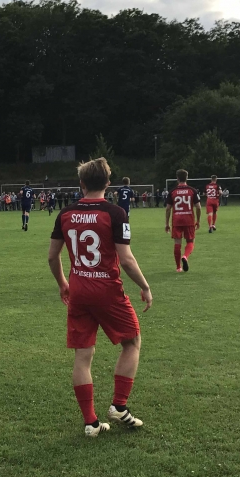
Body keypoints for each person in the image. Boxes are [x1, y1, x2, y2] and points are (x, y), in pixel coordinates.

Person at [47, 157, 153, 437]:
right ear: (108, 183)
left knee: (83, 354)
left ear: (81, 184)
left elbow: (52, 256)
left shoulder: (66, 213)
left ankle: (91, 422)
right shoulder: (115, 213)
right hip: (107, 290)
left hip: (79, 290)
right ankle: (119, 405)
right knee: (132, 342)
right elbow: (126, 259)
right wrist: (145, 286)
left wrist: (62, 283)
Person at [165, 169, 201, 272]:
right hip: (189, 219)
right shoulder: (192, 190)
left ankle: (178, 267)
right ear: (187, 178)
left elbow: (168, 208)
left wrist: (167, 223)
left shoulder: (172, 191)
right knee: (190, 241)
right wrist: (198, 221)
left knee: (177, 242)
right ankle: (185, 256)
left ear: (177, 178)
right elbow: (198, 207)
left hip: (177, 220)